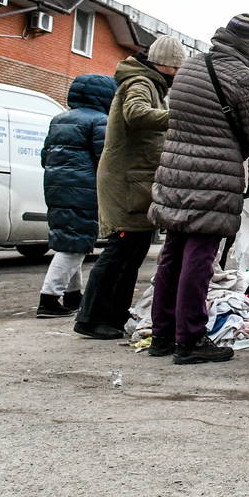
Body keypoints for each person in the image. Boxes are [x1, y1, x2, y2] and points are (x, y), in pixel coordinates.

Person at [147, 14, 249, 365]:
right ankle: (190, 339)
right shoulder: (241, 77)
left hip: (174, 171)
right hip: (213, 176)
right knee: (200, 257)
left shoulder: (192, 67)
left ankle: (161, 334)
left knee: (173, 254)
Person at [75, 36, 184, 340]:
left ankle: (113, 316)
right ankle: (91, 317)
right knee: (121, 250)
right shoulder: (140, 82)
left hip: (135, 180)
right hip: (126, 183)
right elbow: (135, 114)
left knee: (132, 251)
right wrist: (178, 117)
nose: (176, 76)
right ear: (166, 65)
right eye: (176, 69)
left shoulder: (151, 83)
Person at [36, 74, 117, 318]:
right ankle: (48, 298)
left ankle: (73, 295)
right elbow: (105, 159)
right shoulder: (100, 121)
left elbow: (45, 156)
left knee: (73, 241)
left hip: (56, 187)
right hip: (85, 189)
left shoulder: (59, 119)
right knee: (74, 246)